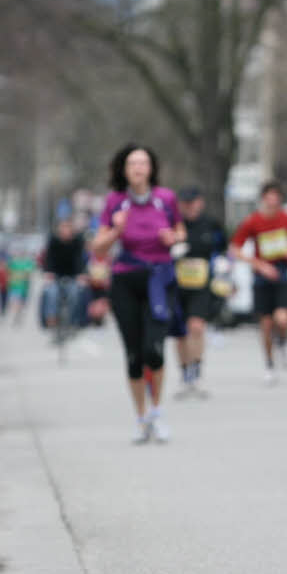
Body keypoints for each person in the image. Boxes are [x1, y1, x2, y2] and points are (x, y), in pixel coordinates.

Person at [92, 142, 185, 444]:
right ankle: (140, 417)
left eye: (143, 162)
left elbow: (181, 232)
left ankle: (157, 412)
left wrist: (173, 237)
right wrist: (117, 230)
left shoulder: (165, 198)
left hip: (159, 279)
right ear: (124, 168)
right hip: (125, 281)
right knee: (134, 355)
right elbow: (98, 248)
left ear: (151, 168)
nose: (138, 168)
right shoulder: (115, 202)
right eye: (132, 163)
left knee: (153, 350)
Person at [229, 180, 287, 385]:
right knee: (266, 324)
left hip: (281, 274)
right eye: (268, 197)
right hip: (261, 277)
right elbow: (234, 249)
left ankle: (282, 341)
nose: (272, 201)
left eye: (275, 197)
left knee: (282, 319)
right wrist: (259, 265)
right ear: (263, 199)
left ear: (279, 199)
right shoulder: (253, 221)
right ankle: (270, 363)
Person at [173, 187, 227, 398]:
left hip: (201, 284)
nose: (189, 206)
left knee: (196, 327)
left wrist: (222, 264)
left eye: (192, 202)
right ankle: (185, 374)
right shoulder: (174, 224)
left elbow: (223, 247)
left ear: (200, 203)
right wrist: (172, 252)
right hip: (176, 286)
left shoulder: (211, 224)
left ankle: (197, 371)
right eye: (185, 202)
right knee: (180, 333)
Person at [40, 218, 87, 330]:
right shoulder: (53, 241)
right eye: (63, 227)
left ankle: (73, 320)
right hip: (55, 275)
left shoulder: (78, 241)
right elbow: (48, 258)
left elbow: (80, 259)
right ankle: (51, 319)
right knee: (51, 293)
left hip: (73, 275)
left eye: (68, 227)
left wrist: (82, 274)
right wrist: (48, 272)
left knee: (75, 293)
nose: (65, 230)